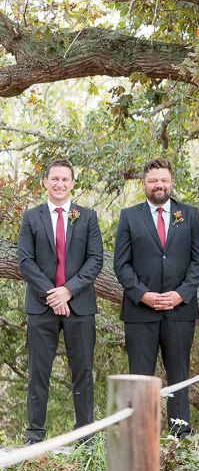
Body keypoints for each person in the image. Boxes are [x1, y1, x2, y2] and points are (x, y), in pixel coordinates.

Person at [114, 158, 199, 438]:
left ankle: (179, 436)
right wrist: (144, 295)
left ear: (171, 182)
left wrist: (180, 295)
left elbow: (198, 263)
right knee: (140, 377)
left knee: (179, 375)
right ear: (144, 184)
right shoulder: (129, 216)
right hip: (140, 312)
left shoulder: (188, 215)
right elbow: (121, 264)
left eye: (163, 180)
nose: (159, 185)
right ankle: (140, 436)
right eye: (153, 181)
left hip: (180, 312)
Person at [17, 159, 103, 446]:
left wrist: (68, 290)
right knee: (38, 373)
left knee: (83, 373)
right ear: (45, 182)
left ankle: (85, 437)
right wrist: (53, 294)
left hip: (79, 306)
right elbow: (25, 262)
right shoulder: (31, 217)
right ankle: (35, 437)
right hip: (41, 308)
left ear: (72, 184)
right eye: (54, 179)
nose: (60, 184)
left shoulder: (87, 216)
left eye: (65, 179)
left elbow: (95, 260)